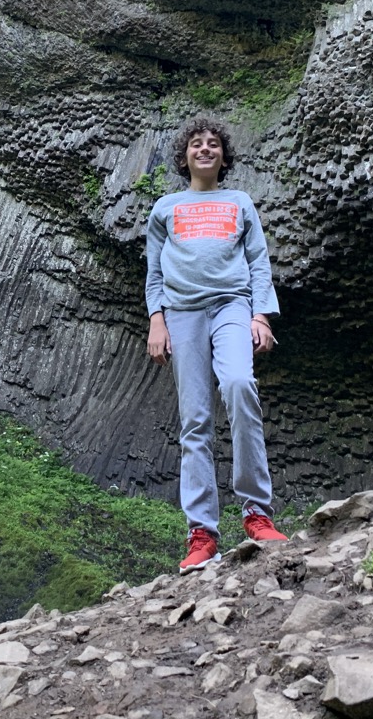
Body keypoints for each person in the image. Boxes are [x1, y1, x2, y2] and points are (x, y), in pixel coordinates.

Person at [145, 116, 287, 573]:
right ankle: (202, 532)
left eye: (212, 144)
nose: (204, 149)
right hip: (182, 313)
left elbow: (258, 262)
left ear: (224, 156)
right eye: (195, 144)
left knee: (239, 384)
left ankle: (256, 514)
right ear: (184, 155)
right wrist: (157, 323)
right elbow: (153, 273)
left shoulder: (240, 202)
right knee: (195, 421)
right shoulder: (165, 208)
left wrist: (260, 316)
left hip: (231, 306)